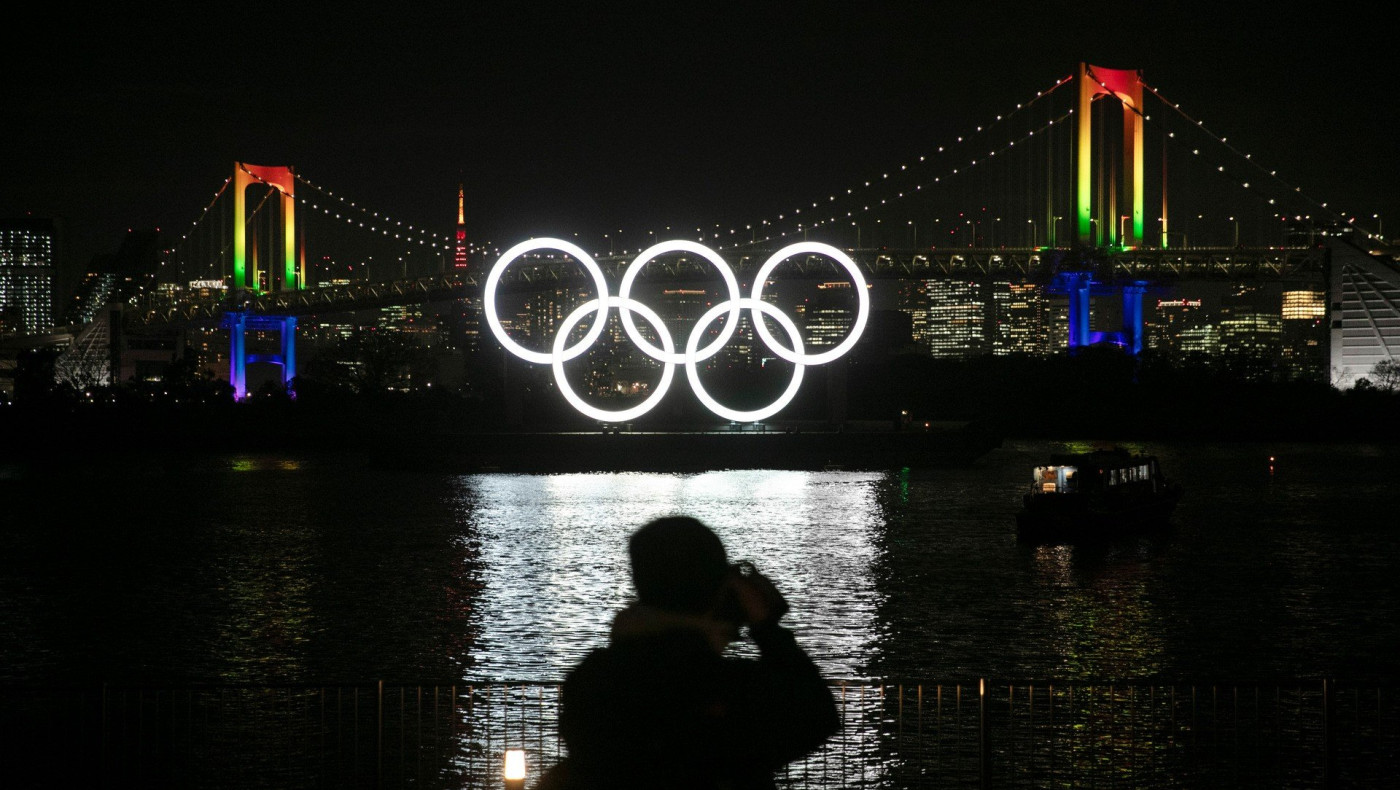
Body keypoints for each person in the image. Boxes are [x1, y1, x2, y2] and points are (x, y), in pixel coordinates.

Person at [540, 516, 839, 790]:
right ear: (719, 587)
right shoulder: (733, 687)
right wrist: (767, 628)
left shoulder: (593, 679)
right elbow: (818, 717)